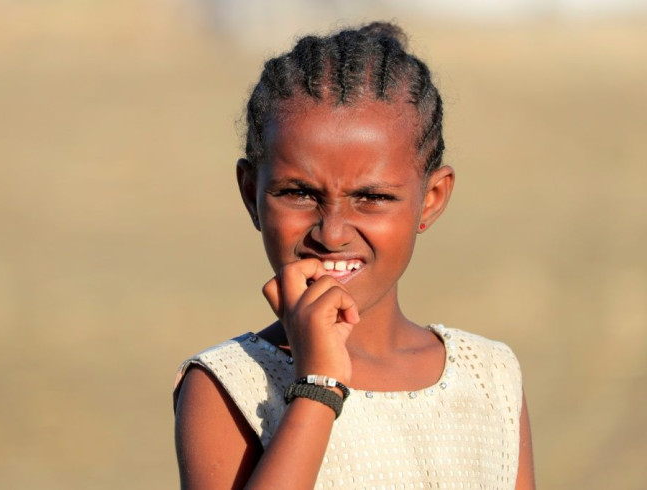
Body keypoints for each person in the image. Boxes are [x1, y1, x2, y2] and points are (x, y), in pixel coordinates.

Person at [173, 22, 535, 489]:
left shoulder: (490, 378)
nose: (333, 232)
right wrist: (317, 387)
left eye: (373, 198)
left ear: (431, 198)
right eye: (298, 193)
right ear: (250, 194)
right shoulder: (228, 384)